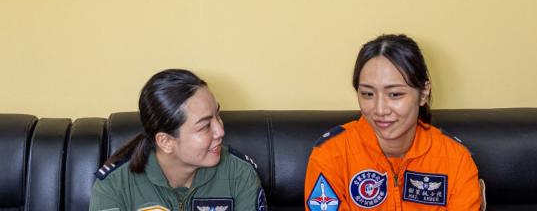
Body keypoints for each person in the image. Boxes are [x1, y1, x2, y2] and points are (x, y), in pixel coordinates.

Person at [303, 34, 483, 210]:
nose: (380, 110)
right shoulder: (329, 155)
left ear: (423, 93)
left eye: (395, 94)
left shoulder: (456, 159)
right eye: (367, 94)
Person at [90, 69, 266, 211]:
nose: (220, 131)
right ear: (166, 141)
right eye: (205, 126)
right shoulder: (113, 187)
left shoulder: (240, 174)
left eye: (217, 115)